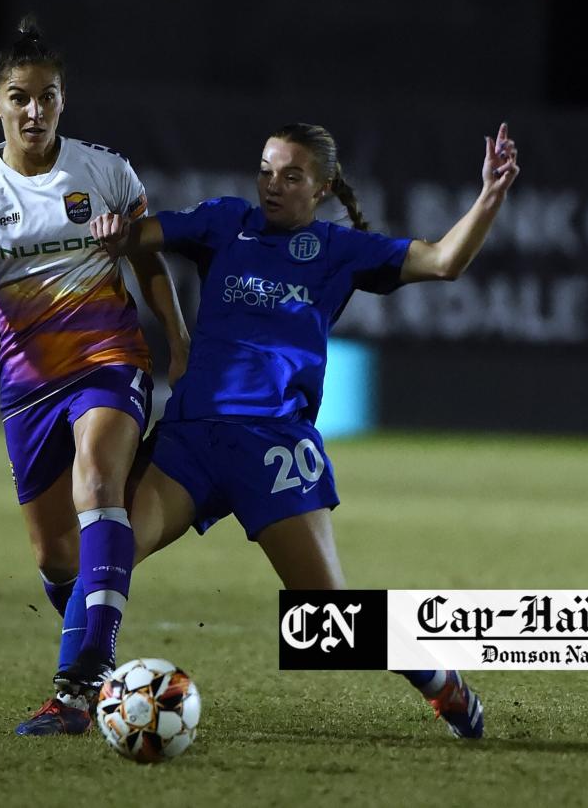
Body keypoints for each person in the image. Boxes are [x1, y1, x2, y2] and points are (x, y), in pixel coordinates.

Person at [73, 120, 520, 739]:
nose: (272, 185)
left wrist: (490, 197)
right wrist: (114, 231)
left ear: (323, 187)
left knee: (327, 620)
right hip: (192, 440)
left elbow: (444, 262)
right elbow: (138, 237)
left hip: (271, 448)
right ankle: (77, 692)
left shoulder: (339, 249)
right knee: (101, 555)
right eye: (265, 170)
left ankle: (437, 680)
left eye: (291, 175)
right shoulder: (225, 222)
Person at [0, 17, 191, 737]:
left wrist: (179, 343)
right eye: (20, 97)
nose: (34, 111)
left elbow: (148, 263)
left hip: (109, 359)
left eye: (47, 97)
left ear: (63, 100)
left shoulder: (105, 172)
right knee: (54, 553)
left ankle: (79, 686)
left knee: (96, 485)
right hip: (28, 385)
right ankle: (91, 625)